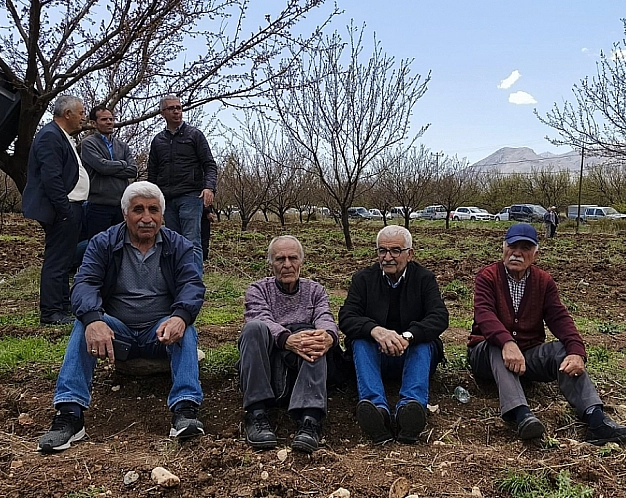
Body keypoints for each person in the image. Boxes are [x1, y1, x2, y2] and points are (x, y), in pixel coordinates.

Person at [37, 181, 206, 453]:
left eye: (153, 210)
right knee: (84, 326)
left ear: (162, 215)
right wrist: (94, 319)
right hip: (118, 333)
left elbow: (192, 285)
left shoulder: (179, 246)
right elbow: (85, 284)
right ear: (125, 213)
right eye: (138, 210)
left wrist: (180, 316)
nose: (147, 218)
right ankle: (70, 415)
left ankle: (185, 410)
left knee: (185, 328)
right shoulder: (103, 243)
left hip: (159, 333)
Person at [467, 223, 626, 445]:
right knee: (495, 343)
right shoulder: (488, 276)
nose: (517, 253)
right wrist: (507, 342)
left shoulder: (543, 281)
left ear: (535, 254)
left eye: (525, 248)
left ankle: (596, 421)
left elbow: (559, 318)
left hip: (527, 357)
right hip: (486, 358)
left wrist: (576, 351)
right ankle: (521, 415)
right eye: (512, 245)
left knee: (564, 351)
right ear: (503, 247)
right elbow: (485, 315)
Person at [339, 226, 448, 444]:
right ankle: (376, 410)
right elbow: (347, 316)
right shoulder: (363, 279)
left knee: (423, 342)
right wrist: (375, 330)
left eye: (395, 251)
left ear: (410, 253)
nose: (388, 257)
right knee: (360, 340)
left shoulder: (424, 279)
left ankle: (410, 409)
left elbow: (439, 316)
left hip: (411, 355)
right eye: (382, 251)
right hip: (375, 356)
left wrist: (408, 336)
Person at [237, 235, 340, 453]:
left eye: (292, 258)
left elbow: (324, 315)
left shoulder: (315, 290)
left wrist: (328, 335)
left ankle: (310, 419)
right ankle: (256, 412)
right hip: (271, 358)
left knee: (315, 336)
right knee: (253, 329)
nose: (287, 265)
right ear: (270, 263)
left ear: (301, 261)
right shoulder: (258, 290)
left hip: (303, 363)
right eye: (279, 259)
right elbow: (260, 316)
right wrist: (286, 339)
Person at [22, 95, 89, 326]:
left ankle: (62, 305)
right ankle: (51, 312)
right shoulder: (50, 136)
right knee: (57, 260)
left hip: (70, 206)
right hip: (62, 208)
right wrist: (63, 210)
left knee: (65, 258)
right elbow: (51, 178)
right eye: (81, 113)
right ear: (67, 114)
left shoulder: (61, 136)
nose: (83, 117)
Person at [147, 95, 217, 274]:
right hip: (167, 199)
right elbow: (153, 172)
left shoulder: (194, 135)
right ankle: (177, 280)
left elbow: (209, 164)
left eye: (179, 108)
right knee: (173, 241)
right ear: (163, 113)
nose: (176, 111)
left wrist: (209, 187)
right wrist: (152, 198)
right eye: (171, 108)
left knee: (191, 241)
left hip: (190, 195)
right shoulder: (158, 141)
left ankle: (193, 285)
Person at [80, 105, 138, 239]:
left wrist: (109, 168)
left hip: (121, 205)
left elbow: (133, 170)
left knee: (120, 244)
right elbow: (102, 167)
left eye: (111, 119)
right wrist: (122, 164)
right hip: (98, 205)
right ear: (94, 123)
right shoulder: (88, 144)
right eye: (104, 119)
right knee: (98, 245)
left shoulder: (122, 146)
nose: (109, 122)